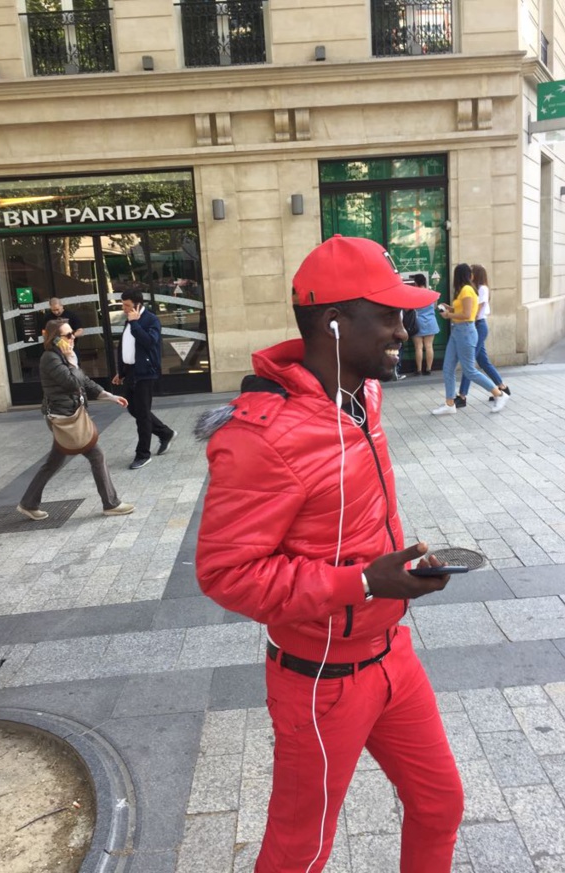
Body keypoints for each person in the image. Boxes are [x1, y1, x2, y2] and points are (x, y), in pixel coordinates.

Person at [195, 235, 464, 873]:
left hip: (392, 656)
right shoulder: (264, 437)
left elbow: (345, 520)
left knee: (440, 805)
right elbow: (225, 575)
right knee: (299, 851)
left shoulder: (363, 394)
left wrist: (396, 573)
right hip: (321, 681)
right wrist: (364, 585)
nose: (405, 330)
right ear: (334, 323)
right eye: (389, 316)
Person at [17, 319, 134, 521]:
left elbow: (85, 382)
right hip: (65, 419)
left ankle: (28, 503)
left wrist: (110, 396)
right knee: (95, 455)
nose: (73, 338)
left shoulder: (61, 356)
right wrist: (73, 362)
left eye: (73, 334)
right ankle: (111, 504)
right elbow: (72, 383)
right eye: (68, 335)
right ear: (55, 340)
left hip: (68, 416)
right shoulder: (50, 359)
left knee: (54, 462)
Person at [111, 289, 177, 470]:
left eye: (127, 305)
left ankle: (143, 454)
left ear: (138, 305)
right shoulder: (129, 320)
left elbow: (149, 342)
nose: (124, 309)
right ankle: (165, 433)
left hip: (146, 373)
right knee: (134, 409)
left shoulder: (150, 320)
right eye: (123, 305)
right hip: (131, 372)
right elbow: (125, 348)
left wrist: (135, 324)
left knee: (142, 415)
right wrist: (122, 372)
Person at [432, 263, 509, 415]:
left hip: (466, 331)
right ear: (468, 275)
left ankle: (500, 394)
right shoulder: (463, 290)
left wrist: (449, 315)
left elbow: (468, 315)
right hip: (458, 331)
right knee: (448, 368)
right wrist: (450, 308)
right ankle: (449, 404)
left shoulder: (467, 290)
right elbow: (463, 310)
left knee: (469, 370)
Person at [454, 263, 509, 408]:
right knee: (483, 361)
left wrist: (467, 319)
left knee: (469, 361)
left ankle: (462, 395)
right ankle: (502, 387)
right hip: (475, 325)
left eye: (471, 272)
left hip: (478, 325)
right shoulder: (472, 289)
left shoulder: (482, 289)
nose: (469, 274)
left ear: (476, 274)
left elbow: (477, 308)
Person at [410, 273, 439, 376]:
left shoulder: (413, 294)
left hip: (418, 322)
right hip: (431, 321)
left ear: (416, 282)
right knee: (429, 346)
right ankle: (428, 369)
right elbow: (435, 307)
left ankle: (418, 370)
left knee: (418, 347)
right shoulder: (432, 293)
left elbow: (410, 308)